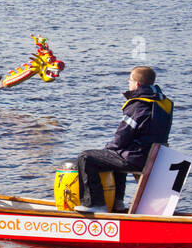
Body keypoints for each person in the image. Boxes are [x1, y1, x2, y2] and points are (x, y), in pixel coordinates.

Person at [75, 65, 174, 213]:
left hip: (137, 158)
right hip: (154, 157)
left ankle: (94, 204)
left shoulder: (139, 105)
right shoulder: (163, 104)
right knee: (113, 156)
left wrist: (107, 149)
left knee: (85, 157)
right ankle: (117, 203)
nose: (129, 83)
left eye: (130, 80)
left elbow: (121, 137)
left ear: (137, 84)